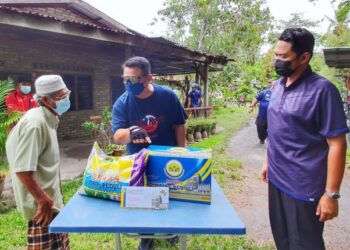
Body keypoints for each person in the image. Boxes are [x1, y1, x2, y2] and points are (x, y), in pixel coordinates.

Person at [261, 28, 348, 250]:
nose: (277, 61)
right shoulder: (279, 85)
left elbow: (337, 143)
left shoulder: (323, 91)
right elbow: (276, 128)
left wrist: (331, 194)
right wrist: (267, 160)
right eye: (276, 55)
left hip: (303, 186)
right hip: (277, 180)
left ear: (304, 57)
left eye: (284, 57)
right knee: (283, 240)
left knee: (304, 245)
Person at [112, 56, 187, 250]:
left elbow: (179, 124)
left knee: (170, 195)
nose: (128, 84)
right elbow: (117, 136)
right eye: (125, 79)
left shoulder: (168, 96)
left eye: (133, 79)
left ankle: (172, 231)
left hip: (166, 156)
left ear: (148, 78)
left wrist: (182, 152)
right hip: (138, 161)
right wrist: (130, 132)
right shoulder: (123, 102)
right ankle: (147, 236)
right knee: (144, 199)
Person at [6, 75, 71, 250]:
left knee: (60, 246)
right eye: (61, 97)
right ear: (45, 99)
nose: (66, 99)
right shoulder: (36, 124)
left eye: (67, 94)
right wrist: (43, 200)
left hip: (52, 201)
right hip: (42, 207)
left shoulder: (48, 117)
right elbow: (22, 169)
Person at [248, 80, 274, 144]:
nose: (271, 84)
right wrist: (251, 106)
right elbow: (256, 98)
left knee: (274, 130)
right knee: (260, 128)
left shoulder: (279, 93)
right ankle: (262, 138)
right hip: (262, 115)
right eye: (270, 83)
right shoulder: (264, 92)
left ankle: (272, 141)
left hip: (274, 117)